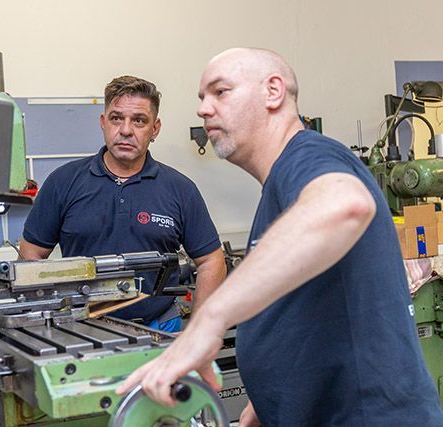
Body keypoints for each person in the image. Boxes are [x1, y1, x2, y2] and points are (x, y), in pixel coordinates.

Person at [117, 48, 443, 425]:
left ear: (273, 91)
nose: (204, 109)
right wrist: (272, 398)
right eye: (201, 98)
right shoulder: (279, 187)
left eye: (219, 92)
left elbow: (345, 204)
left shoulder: (307, 154)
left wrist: (209, 320)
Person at [19, 75, 227, 332]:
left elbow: (211, 261)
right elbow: (31, 253)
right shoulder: (63, 182)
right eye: (117, 118)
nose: (126, 130)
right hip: (80, 331)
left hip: (160, 329)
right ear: (103, 123)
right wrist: (47, 319)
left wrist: (199, 330)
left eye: (139, 120)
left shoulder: (180, 189)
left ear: (155, 129)